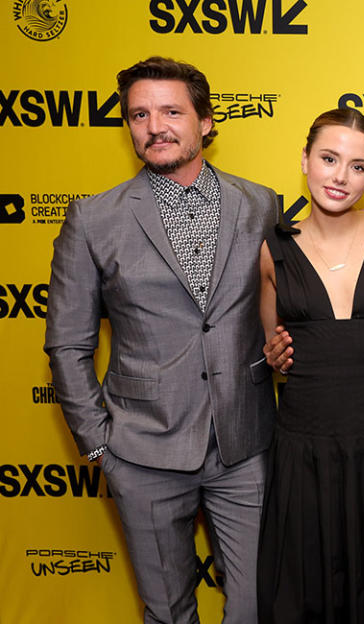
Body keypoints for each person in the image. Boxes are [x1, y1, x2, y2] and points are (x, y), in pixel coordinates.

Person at [44, 57, 277, 623]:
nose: (155, 127)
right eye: (140, 114)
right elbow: (67, 343)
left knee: (257, 606)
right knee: (168, 612)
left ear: (206, 122)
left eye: (172, 111)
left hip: (243, 443)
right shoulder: (94, 219)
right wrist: (101, 445)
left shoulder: (261, 204)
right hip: (142, 448)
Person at [256, 108, 364, 624]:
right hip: (305, 448)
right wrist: (272, 355)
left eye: (359, 166)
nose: (341, 177)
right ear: (305, 160)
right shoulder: (271, 250)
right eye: (329, 158)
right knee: (305, 595)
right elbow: (269, 346)